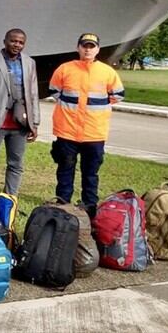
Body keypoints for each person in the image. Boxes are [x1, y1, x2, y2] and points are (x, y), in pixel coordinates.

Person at [49, 33, 124, 218]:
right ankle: (63, 202)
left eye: (92, 46)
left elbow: (118, 95)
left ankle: (90, 205)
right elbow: (54, 91)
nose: (88, 49)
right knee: (65, 169)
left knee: (90, 173)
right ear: (78, 48)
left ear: (97, 49)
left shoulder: (107, 72)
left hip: (94, 133)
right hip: (67, 131)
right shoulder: (65, 69)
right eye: (85, 46)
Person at [0, 28, 40, 205]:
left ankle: (9, 198)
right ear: (4, 41)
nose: (16, 45)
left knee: (16, 164)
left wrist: (35, 122)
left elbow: (33, 94)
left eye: (20, 42)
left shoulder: (29, 62)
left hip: (20, 123)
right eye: (13, 41)